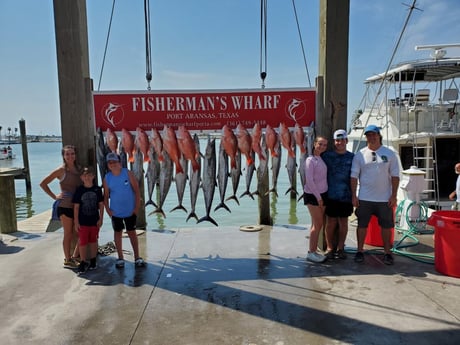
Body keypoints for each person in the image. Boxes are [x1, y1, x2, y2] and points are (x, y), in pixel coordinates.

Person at [350, 124, 400, 265]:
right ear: (366, 137)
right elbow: (354, 176)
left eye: (374, 134)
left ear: (379, 136)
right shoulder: (360, 154)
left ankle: (387, 252)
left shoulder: (389, 153)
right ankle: (360, 251)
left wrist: (394, 195)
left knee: (386, 226)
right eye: (368, 135)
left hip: (384, 198)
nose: (371, 137)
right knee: (362, 225)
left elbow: (395, 176)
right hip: (365, 198)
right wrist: (354, 195)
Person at [40, 145, 82, 268]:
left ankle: (74, 257)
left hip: (78, 206)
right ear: (63, 156)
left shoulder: (79, 169)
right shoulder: (61, 170)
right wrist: (55, 197)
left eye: (72, 153)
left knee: (81, 233)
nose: (70, 156)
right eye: (67, 154)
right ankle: (68, 259)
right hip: (65, 206)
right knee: (68, 233)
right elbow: (43, 183)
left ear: (75, 155)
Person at [103, 152, 146, 268]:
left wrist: (136, 208)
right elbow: (105, 196)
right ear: (108, 165)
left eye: (114, 162)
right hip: (115, 211)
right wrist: (108, 210)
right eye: (110, 162)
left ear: (120, 162)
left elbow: (137, 191)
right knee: (118, 233)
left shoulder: (128, 173)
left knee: (132, 232)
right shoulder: (107, 178)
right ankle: (120, 257)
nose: (113, 164)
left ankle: (137, 257)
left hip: (130, 211)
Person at [322, 129, 354, 260]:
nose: (339, 142)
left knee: (343, 223)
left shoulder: (353, 157)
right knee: (331, 223)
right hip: (331, 196)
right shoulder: (327, 156)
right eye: (337, 140)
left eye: (342, 140)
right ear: (334, 142)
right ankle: (330, 248)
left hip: (346, 196)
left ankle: (341, 248)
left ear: (346, 141)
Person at [72, 166, 104, 274]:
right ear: (81, 177)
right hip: (83, 221)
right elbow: (76, 207)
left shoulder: (98, 190)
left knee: (93, 240)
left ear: (93, 177)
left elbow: (101, 205)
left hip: (94, 220)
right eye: (85, 176)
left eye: (89, 175)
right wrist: (76, 222)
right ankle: (83, 261)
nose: (87, 178)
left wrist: (101, 219)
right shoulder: (79, 190)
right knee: (83, 242)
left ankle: (93, 260)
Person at [303, 136, 328, 263]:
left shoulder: (321, 159)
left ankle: (313, 249)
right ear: (314, 144)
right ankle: (311, 253)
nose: (322, 146)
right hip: (313, 196)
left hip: (322, 195)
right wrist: (318, 198)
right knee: (318, 225)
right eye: (320, 144)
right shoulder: (310, 160)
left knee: (316, 224)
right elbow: (310, 181)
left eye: (325, 145)